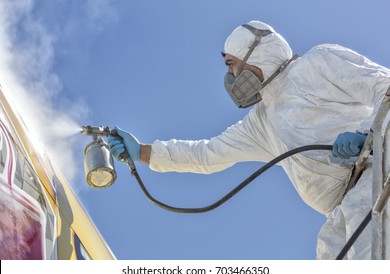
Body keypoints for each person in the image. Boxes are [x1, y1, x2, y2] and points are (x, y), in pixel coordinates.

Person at [107, 20, 390, 259]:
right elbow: (208, 154)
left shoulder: (317, 64)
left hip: (377, 172)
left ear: (255, 55)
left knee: (368, 250)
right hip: (342, 207)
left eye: (231, 64)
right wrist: (144, 152)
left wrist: (368, 133)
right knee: (332, 252)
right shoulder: (261, 123)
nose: (230, 75)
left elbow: (384, 86)